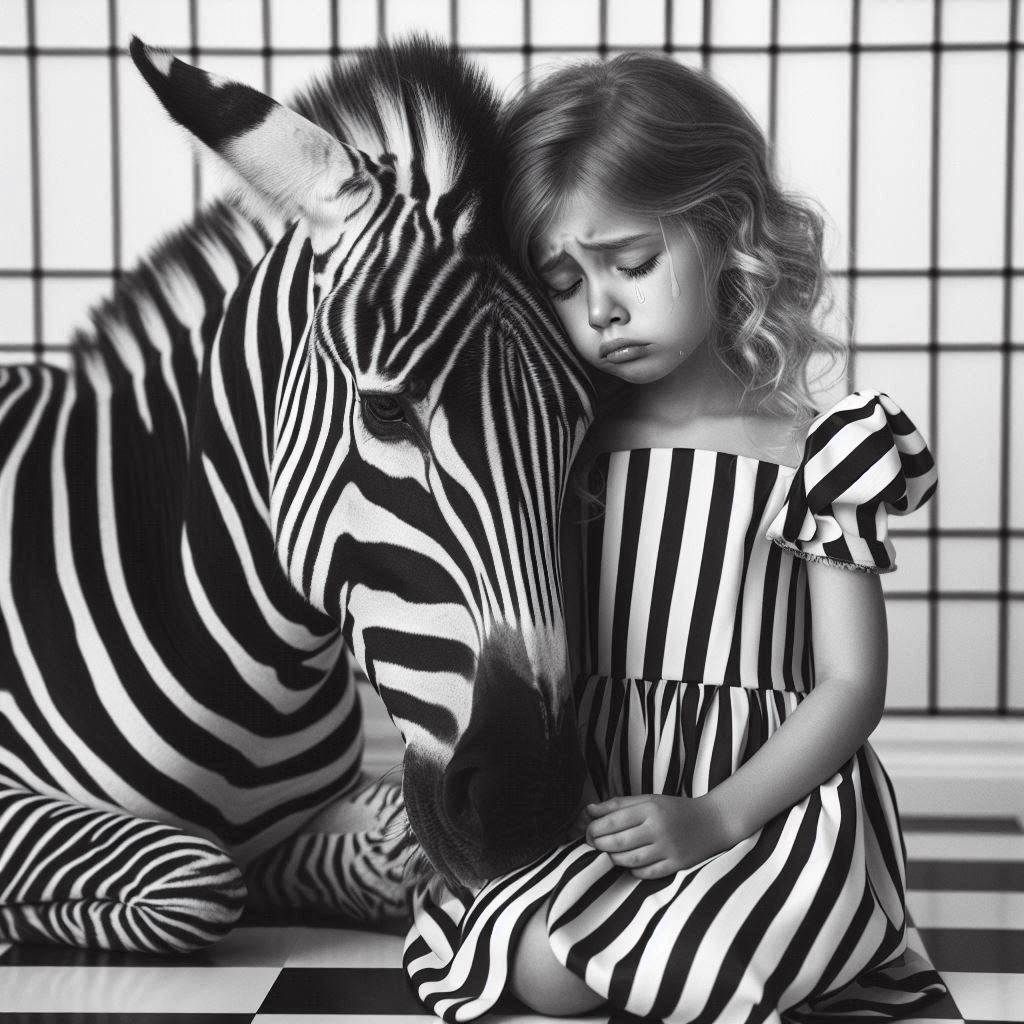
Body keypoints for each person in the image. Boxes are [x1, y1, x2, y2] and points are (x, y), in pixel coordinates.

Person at [402, 52, 950, 1023]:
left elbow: (851, 687)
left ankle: (748, 928)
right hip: (600, 792)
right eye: (563, 281)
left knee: (672, 964)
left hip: (763, 803)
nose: (600, 308)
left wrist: (715, 815)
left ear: (728, 230)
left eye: (631, 262)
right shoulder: (565, 447)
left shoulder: (816, 451)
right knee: (536, 966)